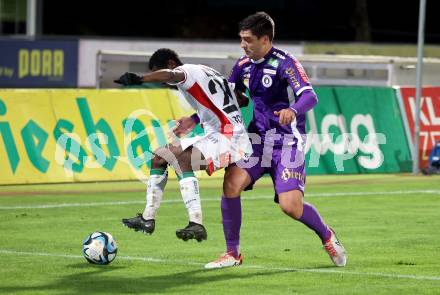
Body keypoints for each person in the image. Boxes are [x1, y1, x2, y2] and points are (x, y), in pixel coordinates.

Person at [204, 12, 347, 268]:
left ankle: (327, 235)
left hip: (287, 143)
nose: (243, 45)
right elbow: (225, 99)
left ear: (265, 39)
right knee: (231, 183)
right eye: (241, 39)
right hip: (257, 141)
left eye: (248, 39)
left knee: (290, 206)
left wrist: (293, 110)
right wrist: (195, 118)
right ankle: (232, 253)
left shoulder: (286, 63)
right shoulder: (242, 66)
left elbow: (309, 96)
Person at [115, 48, 252, 242]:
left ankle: (196, 223)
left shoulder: (184, 71)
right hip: (220, 133)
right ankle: (147, 218)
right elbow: (241, 99)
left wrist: (140, 78)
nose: (162, 80)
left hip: (230, 138)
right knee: (160, 156)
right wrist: (196, 118)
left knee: (183, 158)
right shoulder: (206, 71)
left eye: (158, 72)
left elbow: (172, 74)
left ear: (171, 63)